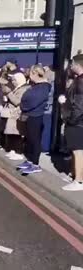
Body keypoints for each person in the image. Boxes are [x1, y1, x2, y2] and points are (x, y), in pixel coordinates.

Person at [17, 65, 51, 174]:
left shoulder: (44, 86)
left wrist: (23, 105)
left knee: (35, 140)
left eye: (31, 73)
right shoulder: (36, 86)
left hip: (37, 116)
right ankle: (30, 160)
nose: (29, 75)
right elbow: (24, 97)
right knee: (30, 140)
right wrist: (24, 102)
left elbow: (32, 101)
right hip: (30, 115)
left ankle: (35, 164)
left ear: (35, 73)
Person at [60, 54, 83, 191]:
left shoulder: (80, 81)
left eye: (72, 63)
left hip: (78, 122)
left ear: (78, 65)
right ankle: (75, 174)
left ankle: (79, 181)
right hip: (78, 121)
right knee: (76, 150)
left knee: (78, 151)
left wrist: (70, 119)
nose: (71, 65)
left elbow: (80, 106)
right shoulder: (78, 80)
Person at [1, 72, 29, 161]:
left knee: (17, 133)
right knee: (11, 133)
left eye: (14, 80)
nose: (13, 82)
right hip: (12, 113)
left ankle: (18, 152)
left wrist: (9, 93)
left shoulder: (24, 89)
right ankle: (12, 150)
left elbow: (17, 101)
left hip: (17, 113)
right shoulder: (19, 87)